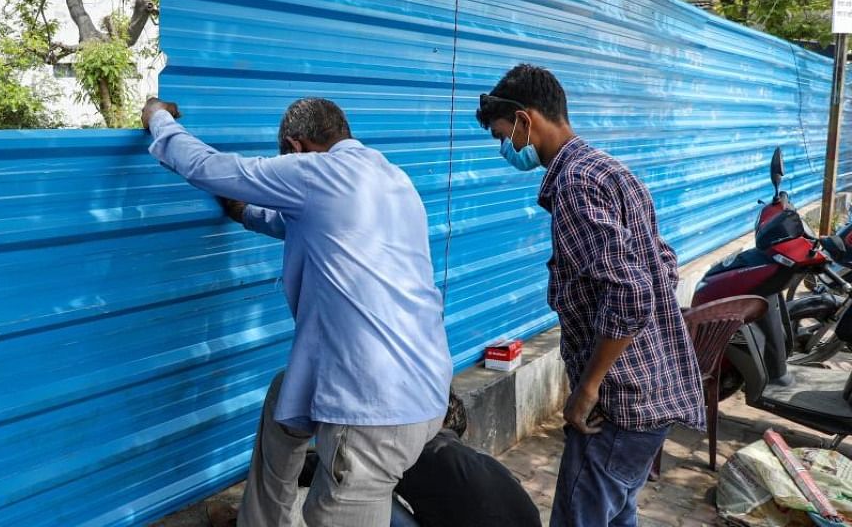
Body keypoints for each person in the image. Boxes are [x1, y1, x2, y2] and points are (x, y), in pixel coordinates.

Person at [141, 96, 452, 527]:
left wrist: (157, 119)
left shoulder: (315, 173)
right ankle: (263, 520)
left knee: (338, 510)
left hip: (372, 416)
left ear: (296, 147)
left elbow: (204, 166)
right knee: (282, 402)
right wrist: (240, 207)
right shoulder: (390, 179)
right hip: (425, 390)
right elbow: (278, 219)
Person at [474, 64, 704, 527]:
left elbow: (631, 291)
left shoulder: (575, 186)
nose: (507, 148)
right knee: (618, 515)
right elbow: (662, 261)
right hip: (651, 392)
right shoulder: (607, 169)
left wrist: (588, 387)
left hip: (619, 403)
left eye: (504, 135)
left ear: (526, 120)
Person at [297, 392, 540, 527]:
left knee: (364, 487)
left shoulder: (419, 449)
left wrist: (285, 469)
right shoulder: (478, 461)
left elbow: (347, 467)